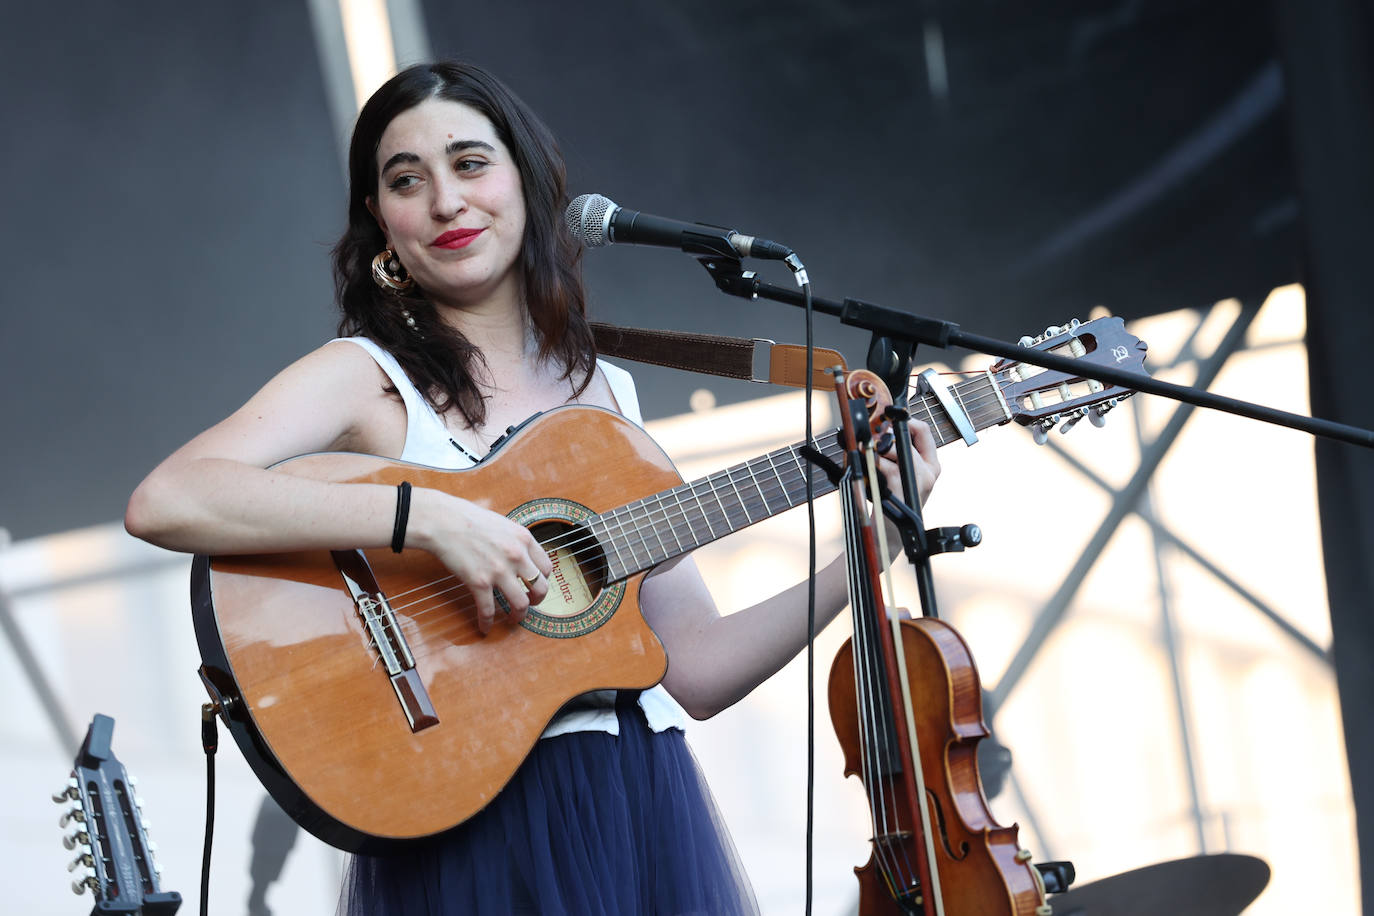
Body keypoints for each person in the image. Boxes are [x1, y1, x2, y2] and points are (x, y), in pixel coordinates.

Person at [124, 60, 940, 915]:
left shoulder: (607, 392)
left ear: (527, 178)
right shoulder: (365, 377)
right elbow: (170, 498)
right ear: (380, 221)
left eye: (471, 163)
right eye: (408, 181)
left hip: (636, 799)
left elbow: (697, 669)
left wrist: (871, 547)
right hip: (475, 819)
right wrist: (429, 518)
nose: (445, 201)